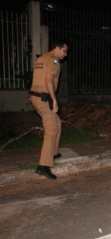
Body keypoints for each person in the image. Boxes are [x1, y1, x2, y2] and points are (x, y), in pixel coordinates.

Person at [28, 39, 68, 180]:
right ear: (57, 48)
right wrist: (54, 100)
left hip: (36, 96)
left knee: (57, 123)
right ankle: (43, 166)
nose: (65, 54)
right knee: (51, 130)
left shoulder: (41, 58)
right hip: (44, 98)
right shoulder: (53, 61)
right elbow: (48, 80)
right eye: (64, 51)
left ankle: (52, 153)